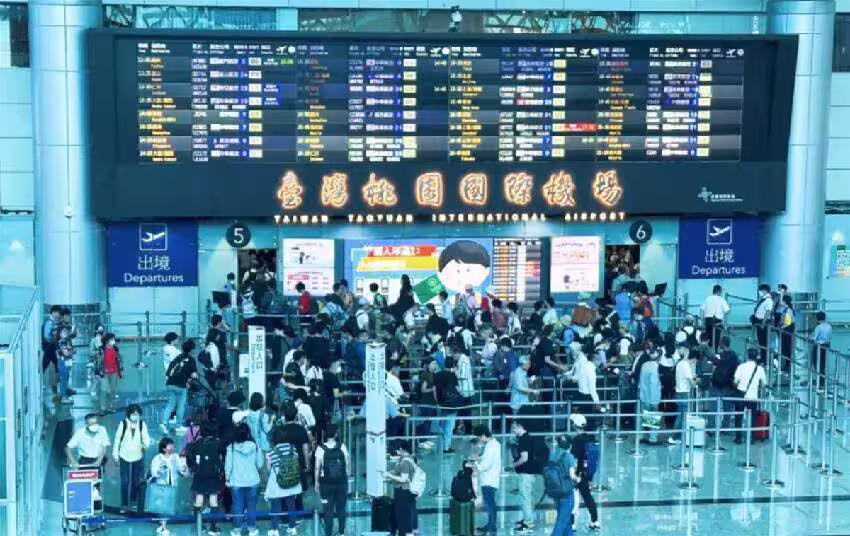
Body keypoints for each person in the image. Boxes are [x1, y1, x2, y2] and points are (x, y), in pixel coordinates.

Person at [225, 423, 264, 536]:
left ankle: (237, 529)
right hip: (252, 481)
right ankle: (251, 529)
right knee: (251, 505)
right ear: (248, 433)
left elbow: (228, 465)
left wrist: (227, 478)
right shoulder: (254, 446)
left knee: (237, 505)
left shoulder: (231, 447)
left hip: (236, 481)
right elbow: (260, 464)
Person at [187, 421, 224, 536]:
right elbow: (223, 456)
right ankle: (213, 527)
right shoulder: (217, 443)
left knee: (199, 500)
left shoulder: (196, 443)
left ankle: (200, 525)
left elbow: (189, 455)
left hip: (199, 474)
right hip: (213, 475)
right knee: (213, 500)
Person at [112, 404, 151, 512]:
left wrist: (146, 445)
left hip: (138, 456)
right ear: (129, 414)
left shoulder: (142, 424)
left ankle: (133, 500)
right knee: (125, 481)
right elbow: (117, 441)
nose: (135, 416)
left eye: (137, 414)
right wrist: (115, 456)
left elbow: (146, 438)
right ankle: (124, 503)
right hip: (124, 455)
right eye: (133, 414)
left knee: (136, 481)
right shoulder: (123, 424)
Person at [266, 425, 303, 536]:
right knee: (291, 504)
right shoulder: (292, 447)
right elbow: (296, 460)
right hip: (291, 479)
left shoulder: (271, 451)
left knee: (275, 505)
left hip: (277, 480)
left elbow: (269, 469)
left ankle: (275, 529)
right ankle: (292, 527)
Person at [315, 424, 350, 536]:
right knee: (341, 508)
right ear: (336, 434)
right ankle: (341, 532)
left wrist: (316, 482)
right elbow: (347, 465)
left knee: (328, 510)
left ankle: (329, 533)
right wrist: (346, 478)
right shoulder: (342, 446)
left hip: (326, 484)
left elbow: (317, 467)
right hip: (341, 482)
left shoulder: (320, 448)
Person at [510, 420, 544, 533]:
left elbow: (524, 458)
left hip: (526, 474)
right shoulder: (528, 438)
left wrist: (513, 465)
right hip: (531, 473)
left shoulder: (523, 440)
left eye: (514, 428)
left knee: (526, 499)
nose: (513, 430)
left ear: (520, 426)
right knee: (527, 498)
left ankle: (528, 523)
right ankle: (527, 519)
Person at [568, 414, 600, 531]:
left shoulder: (576, 441)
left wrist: (574, 475)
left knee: (574, 498)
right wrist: (590, 477)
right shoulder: (590, 438)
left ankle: (572, 524)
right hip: (587, 474)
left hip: (578, 474)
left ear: (574, 425)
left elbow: (574, 460)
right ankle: (595, 521)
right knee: (587, 497)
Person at [150, 437, 188, 535]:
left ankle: (162, 525)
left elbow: (181, 469)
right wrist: (160, 470)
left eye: (172, 445)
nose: (172, 447)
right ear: (163, 448)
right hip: (162, 487)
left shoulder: (175, 457)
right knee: (163, 507)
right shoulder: (158, 458)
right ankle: (163, 527)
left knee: (168, 507)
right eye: (169, 446)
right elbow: (153, 472)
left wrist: (184, 466)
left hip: (172, 486)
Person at [160, 340, 198, 435]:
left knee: (170, 404)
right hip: (181, 385)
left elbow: (168, 372)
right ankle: (178, 425)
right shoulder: (191, 360)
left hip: (170, 383)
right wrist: (193, 377)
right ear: (191, 350)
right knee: (181, 405)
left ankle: (164, 423)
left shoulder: (177, 357)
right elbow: (193, 375)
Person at [470, 426, 501, 536]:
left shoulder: (491, 447)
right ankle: (491, 524)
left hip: (489, 480)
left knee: (490, 504)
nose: (479, 439)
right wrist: (479, 458)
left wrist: (474, 464)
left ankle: (492, 526)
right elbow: (487, 459)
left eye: (479, 437)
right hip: (491, 479)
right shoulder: (494, 444)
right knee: (490, 504)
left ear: (483, 435)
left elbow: (486, 465)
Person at [384, 441, 420, 536]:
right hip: (410, 491)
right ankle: (412, 531)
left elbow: (403, 479)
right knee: (410, 511)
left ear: (401, 449)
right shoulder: (410, 459)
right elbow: (398, 471)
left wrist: (389, 476)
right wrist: (390, 474)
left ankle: (405, 532)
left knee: (403, 514)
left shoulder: (405, 462)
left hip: (403, 491)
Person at [733, 348, 766, 444]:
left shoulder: (741, 367)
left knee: (738, 416)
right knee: (753, 417)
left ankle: (738, 438)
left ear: (747, 355)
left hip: (741, 395)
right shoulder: (760, 369)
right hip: (753, 396)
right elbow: (764, 384)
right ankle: (752, 438)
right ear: (757, 357)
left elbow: (735, 381)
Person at [550, 436, 579, 536]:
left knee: (565, 518)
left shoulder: (553, 455)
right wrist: (578, 479)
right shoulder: (569, 457)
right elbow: (572, 475)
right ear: (570, 445)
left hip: (556, 491)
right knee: (562, 521)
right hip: (567, 491)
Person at [671, 345, 697, 445]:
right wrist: (695, 382)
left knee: (681, 415)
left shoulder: (679, 364)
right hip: (683, 393)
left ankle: (676, 436)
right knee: (682, 416)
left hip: (678, 392)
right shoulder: (685, 365)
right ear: (687, 351)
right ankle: (674, 437)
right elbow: (691, 381)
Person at [700, 284, 730, 350]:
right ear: (719, 291)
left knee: (708, 338)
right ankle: (715, 352)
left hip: (708, 321)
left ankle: (708, 352)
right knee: (716, 339)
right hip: (717, 322)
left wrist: (702, 320)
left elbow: (702, 309)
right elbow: (727, 310)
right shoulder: (721, 299)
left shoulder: (708, 298)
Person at [751, 284, 774, 364]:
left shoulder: (768, 300)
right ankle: (763, 357)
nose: (760, 292)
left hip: (763, 323)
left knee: (764, 341)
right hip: (759, 322)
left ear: (765, 290)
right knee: (761, 341)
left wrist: (763, 323)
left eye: (761, 290)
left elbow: (768, 312)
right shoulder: (764, 299)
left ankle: (765, 359)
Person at [100, 333, 123, 409]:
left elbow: (119, 360)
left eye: (114, 339)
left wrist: (120, 371)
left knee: (113, 390)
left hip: (114, 372)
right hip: (104, 372)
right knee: (104, 390)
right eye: (112, 339)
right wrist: (97, 372)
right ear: (107, 341)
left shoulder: (115, 349)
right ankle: (103, 407)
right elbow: (98, 361)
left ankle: (111, 405)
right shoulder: (102, 349)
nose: (113, 341)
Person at [775, 295, 795, 373]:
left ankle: (787, 365)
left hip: (787, 330)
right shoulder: (785, 309)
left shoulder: (788, 311)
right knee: (785, 347)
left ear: (785, 302)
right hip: (786, 329)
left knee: (787, 348)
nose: (781, 302)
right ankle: (786, 364)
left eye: (782, 301)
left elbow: (787, 323)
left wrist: (780, 328)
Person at [811, 311, 832, 385]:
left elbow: (814, 338)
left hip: (819, 346)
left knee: (816, 361)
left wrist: (809, 338)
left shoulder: (818, 327)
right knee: (823, 362)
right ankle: (822, 378)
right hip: (827, 345)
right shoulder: (829, 326)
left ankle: (820, 379)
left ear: (817, 319)